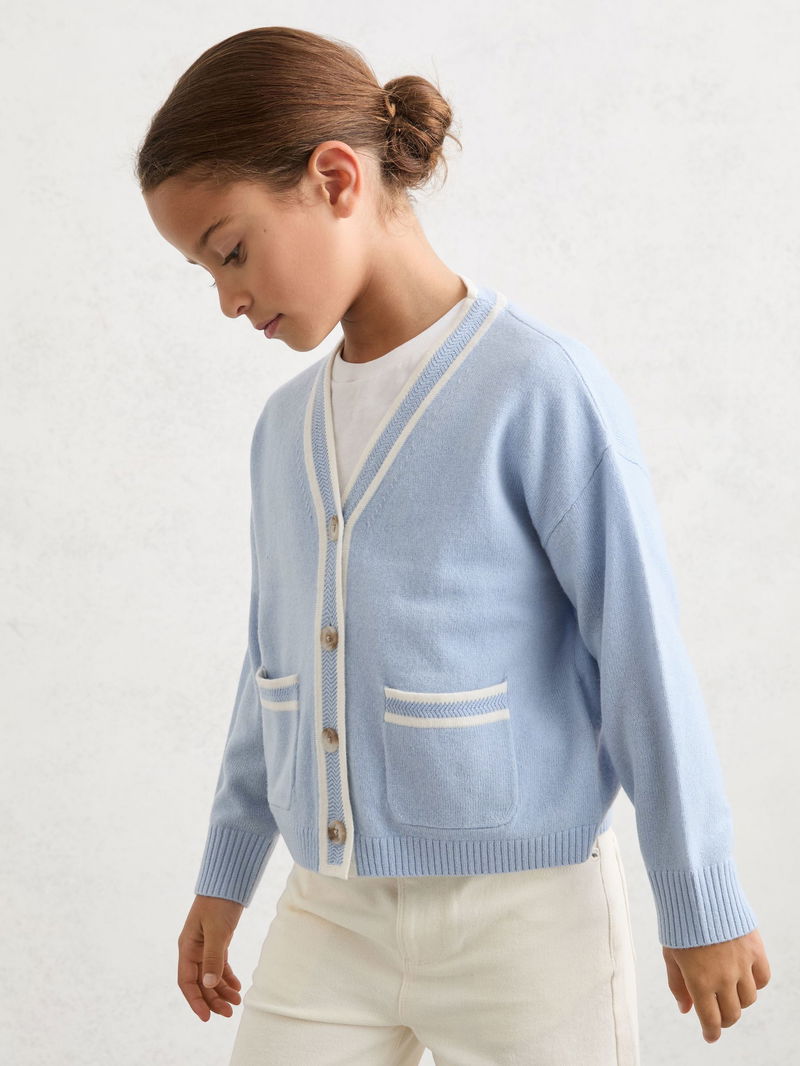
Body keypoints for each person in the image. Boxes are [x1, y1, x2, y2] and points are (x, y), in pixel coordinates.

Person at [135, 25, 771, 1065]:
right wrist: (226, 871)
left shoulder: (538, 389)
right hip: (330, 911)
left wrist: (698, 895)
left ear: (334, 179)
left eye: (231, 251)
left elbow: (639, 652)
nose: (228, 299)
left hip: (525, 918)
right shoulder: (282, 432)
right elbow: (272, 668)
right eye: (205, 273)